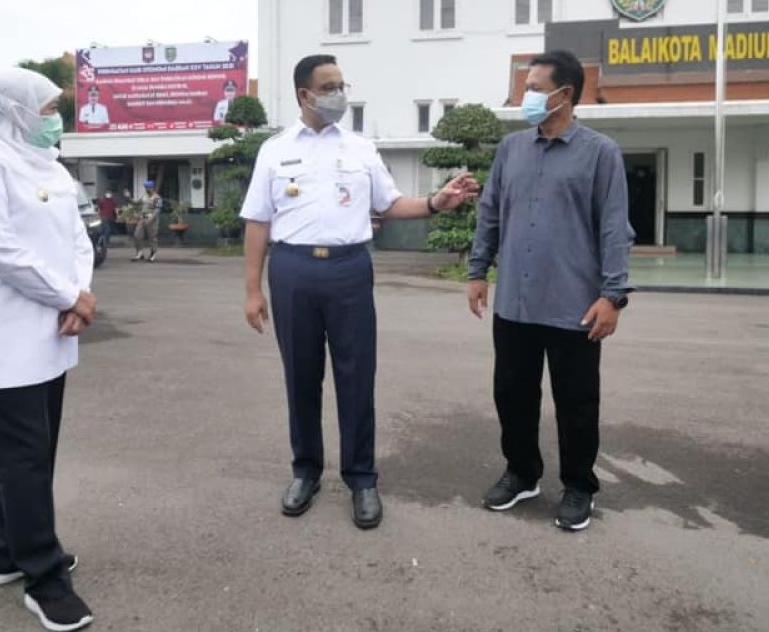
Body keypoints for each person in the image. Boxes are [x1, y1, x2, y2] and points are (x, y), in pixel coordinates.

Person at [240, 54, 479, 529]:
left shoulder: (361, 148)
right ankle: (305, 471)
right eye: (328, 86)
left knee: (356, 377)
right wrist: (252, 289)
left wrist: (437, 201)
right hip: (292, 270)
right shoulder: (275, 149)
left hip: (349, 271)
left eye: (342, 84)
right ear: (304, 95)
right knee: (301, 378)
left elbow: (389, 204)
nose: (339, 93)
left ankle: (362, 478)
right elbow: (258, 221)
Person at [0, 68, 97, 632]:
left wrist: (78, 296)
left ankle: (5, 554)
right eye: (50, 105)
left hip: (53, 333)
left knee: (36, 454)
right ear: (15, 109)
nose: (58, 115)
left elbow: (78, 237)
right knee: (26, 459)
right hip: (4, 339)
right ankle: (44, 578)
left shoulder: (48, 166)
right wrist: (68, 296)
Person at [467, 50, 634, 533]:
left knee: (577, 403)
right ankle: (522, 473)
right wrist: (477, 271)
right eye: (527, 87)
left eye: (536, 87)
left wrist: (613, 295)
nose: (528, 96)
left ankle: (579, 486)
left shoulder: (600, 152)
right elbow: (491, 213)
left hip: (575, 306)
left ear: (565, 94)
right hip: (515, 304)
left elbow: (613, 228)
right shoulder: (511, 150)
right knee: (512, 396)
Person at [132, 181, 162, 262]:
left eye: (148, 187)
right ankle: (139, 253)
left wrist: (151, 218)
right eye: (145, 187)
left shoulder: (157, 197)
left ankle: (153, 254)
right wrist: (129, 198)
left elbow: (157, 209)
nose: (146, 189)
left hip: (152, 219)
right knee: (137, 235)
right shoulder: (144, 196)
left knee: (152, 237)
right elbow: (136, 203)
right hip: (142, 218)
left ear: (152, 188)